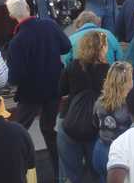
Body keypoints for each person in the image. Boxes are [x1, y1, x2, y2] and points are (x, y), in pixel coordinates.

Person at [5, 0, 71, 178]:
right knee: (49, 129)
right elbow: (66, 46)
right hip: (53, 88)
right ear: (28, 7)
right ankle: (60, 171)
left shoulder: (17, 42)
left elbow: (15, 77)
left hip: (30, 93)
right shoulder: (49, 26)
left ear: (11, 15)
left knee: (18, 129)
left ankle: (15, 168)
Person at [57, 31, 109, 183]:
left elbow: (61, 90)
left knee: (69, 173)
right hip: (96, 125)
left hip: (70, 120)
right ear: (101, 48)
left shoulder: (72, 66)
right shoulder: (108, 70)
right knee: (98, 171)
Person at [91, 62, 133, 183]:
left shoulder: (99, 101)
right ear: (127, 83)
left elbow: (95, 123)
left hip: (100, 150)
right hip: (119, 156)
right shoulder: (130, 105)